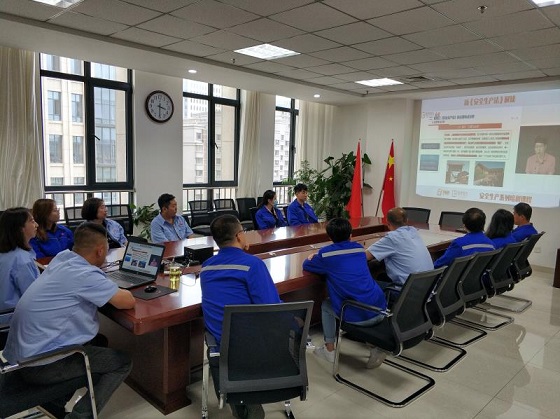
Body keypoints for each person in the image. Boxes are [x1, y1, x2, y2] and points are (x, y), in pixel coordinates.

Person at [3, 222, 136, 419]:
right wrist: (111, 285)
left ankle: (54, 403)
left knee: (99, 341)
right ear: (101, 250)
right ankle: (79, 416)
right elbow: (127, 301)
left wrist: (103, 284)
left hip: (21, 355)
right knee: (122, 362)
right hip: (40, 365)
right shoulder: (84, 274)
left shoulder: (62, 258)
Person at [201, 214, 281, 419]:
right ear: (238, 235)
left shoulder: (206, 267)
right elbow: (272, 308)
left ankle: (240, 399)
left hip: (220, 346)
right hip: (252, 347)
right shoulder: (252, 265)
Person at [302, 218, 387, 368]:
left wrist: (314, 256)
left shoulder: (326, 254)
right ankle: (375, 347)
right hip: (381, 309)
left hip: (359, 316)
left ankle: (329, 350)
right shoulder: (359, 249)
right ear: (351, 235)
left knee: (326, 305)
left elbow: (307, 265)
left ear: (329, 237)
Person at [365, 207, 433, 289]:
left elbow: (365, 256)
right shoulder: (414, 232)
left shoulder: (392, 238)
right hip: (426, 290)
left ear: (387, 223)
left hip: (405, 291)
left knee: (366, 284)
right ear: (407, 220)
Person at [0, 207, 40, 314]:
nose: (36, 225)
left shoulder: (7, 253)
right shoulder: (22, 260)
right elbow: (33, 296)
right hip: (14, 316)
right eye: (32, 221)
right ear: (20, 228)